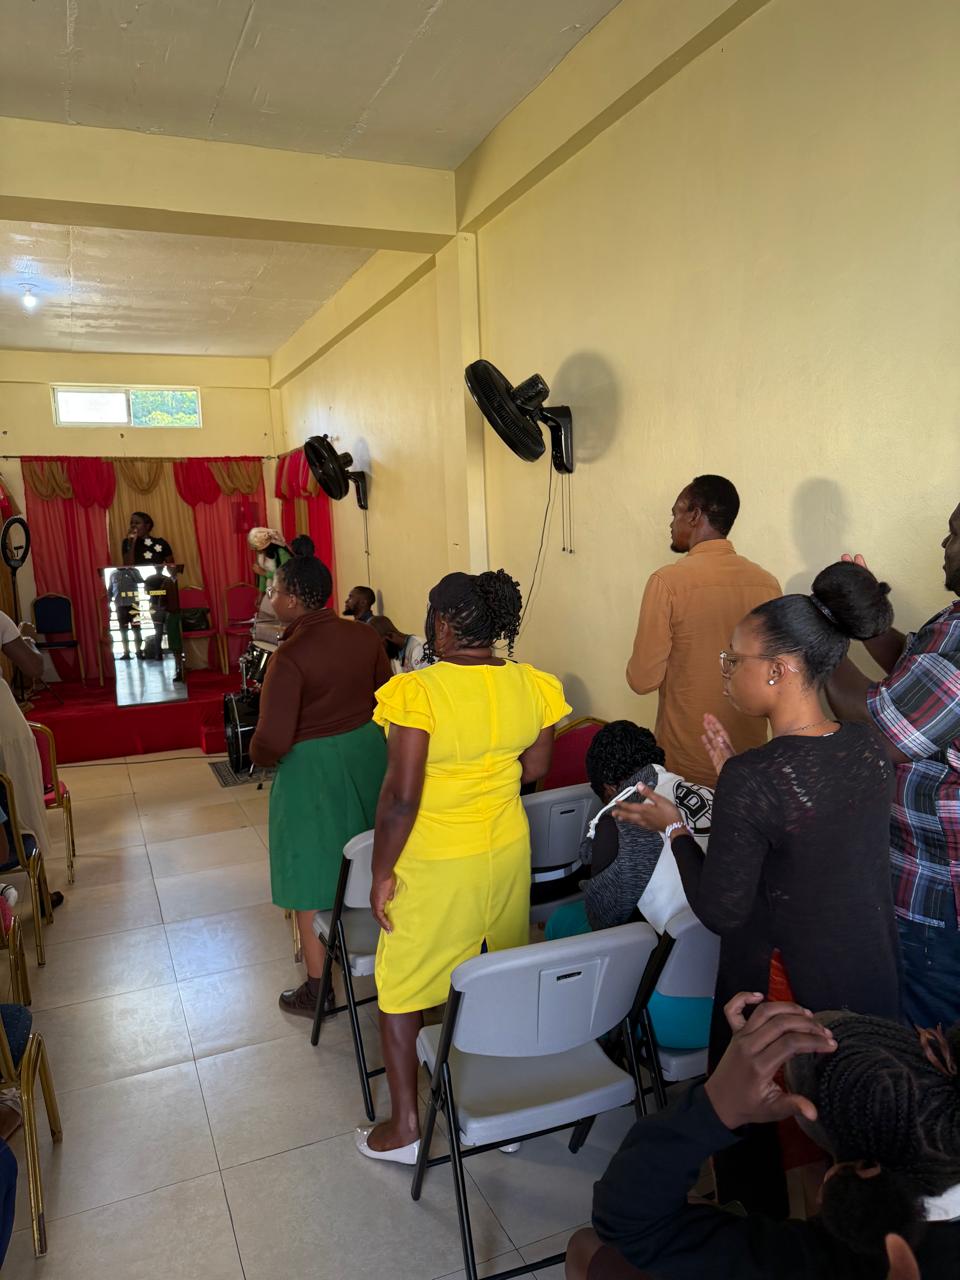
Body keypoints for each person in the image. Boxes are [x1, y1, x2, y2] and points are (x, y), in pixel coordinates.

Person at [617, 560, 903, 1216]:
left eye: (734, 659)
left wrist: (676, 830)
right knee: (847, 1118)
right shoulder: (866, 748)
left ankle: (761, 1217)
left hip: (784, 984)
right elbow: (809, 840)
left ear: (779, 670)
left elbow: (722, 909)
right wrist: (735, 782)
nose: (726, 671)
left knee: (768, 1114)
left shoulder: (757, 777)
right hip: (864, 976)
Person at [356, 569, 570, 1164]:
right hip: (505, 852)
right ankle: (501, 1113)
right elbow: (535, 768)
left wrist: (380, 872)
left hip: (435, 861)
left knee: (401, 986)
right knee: (493, 971)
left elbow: (401, 798)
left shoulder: (418, 692)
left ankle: (405, 1128)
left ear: (443, 625)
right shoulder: (533, 683)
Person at [568, 993, 960, 1280]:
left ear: (850, 1173)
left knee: (587, 1246)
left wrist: (715, 1106)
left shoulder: (810, 1264)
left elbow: (629, 1222)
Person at [824, 516, 960, 1031]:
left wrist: (820, 638)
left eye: (956, 532)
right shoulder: (951, 622)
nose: (944, 541)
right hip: (929, 888)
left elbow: (878, 730)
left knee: (927, 1045)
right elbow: (917, 679)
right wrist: (869, 624)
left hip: (938, 901)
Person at [248, 555, 391, 1016]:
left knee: (310, 874)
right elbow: (385, 695)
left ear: (292, 600)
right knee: (375, 852)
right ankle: (392, 956)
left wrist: (256, 753)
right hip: (368, 753)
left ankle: (318, 988)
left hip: (311, 769)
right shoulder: (364, 636)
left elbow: (272, 739)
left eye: (274, 591)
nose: (270, 597)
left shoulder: (289, 656)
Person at [544, 720, 714, 1051]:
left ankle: (587, 1041)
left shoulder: (619, 821)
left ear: (609, 788)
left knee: (564, 922)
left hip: (669, 1014)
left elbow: (603, 923)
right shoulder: (708, 793)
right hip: (736, 996)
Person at [626, 475, 780, 787]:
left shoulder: (667, 582)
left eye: (675, 513)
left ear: (695, 515)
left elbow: (642, 680)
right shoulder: (768, 584)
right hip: (750, 764)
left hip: (687, 765)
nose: (671, 523)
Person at [108, 565, 144, 660]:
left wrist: (131, 571)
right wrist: (107, 603)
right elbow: (110, 589)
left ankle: (139, 652)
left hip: (134, 606)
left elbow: (140, 581)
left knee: (137, 630)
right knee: (123, 631)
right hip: (120, 606)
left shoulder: (134, 570)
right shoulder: (113, 573)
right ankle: (126, 653)